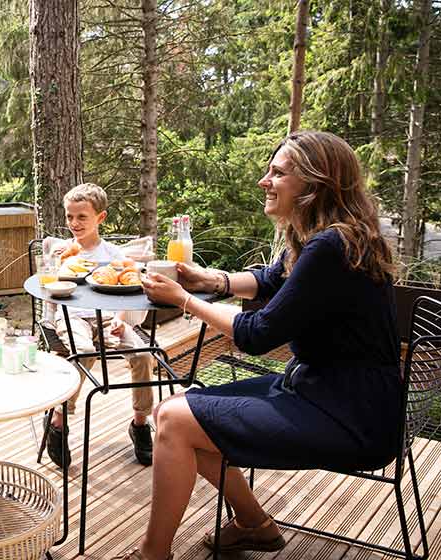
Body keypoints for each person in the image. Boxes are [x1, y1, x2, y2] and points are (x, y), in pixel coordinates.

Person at [123, 131, 402, 560]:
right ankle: (255, 524)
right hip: (324, 392)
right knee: (168, 414)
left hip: (349, 414)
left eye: (278, 172)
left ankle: (151, 554)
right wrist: (212, 280)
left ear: (314, 184)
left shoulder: (331, 246)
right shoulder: (329, 236)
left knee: (176, 422)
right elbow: (272, 280)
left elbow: (256, 334)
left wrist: (184, 300)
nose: (264, 180)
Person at [43, 183, 155, 467]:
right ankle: (58, 418)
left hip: (106, 318)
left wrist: (119, 319)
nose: (74, 223)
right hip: (72, 316)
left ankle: (140, 424)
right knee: (85, 352)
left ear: (100, 218)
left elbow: (129, 290)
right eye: (69, 217)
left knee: (143, 355)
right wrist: (58, 264)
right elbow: (49, 290)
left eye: (82, 217)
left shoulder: (114, 255)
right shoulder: (64, 253)